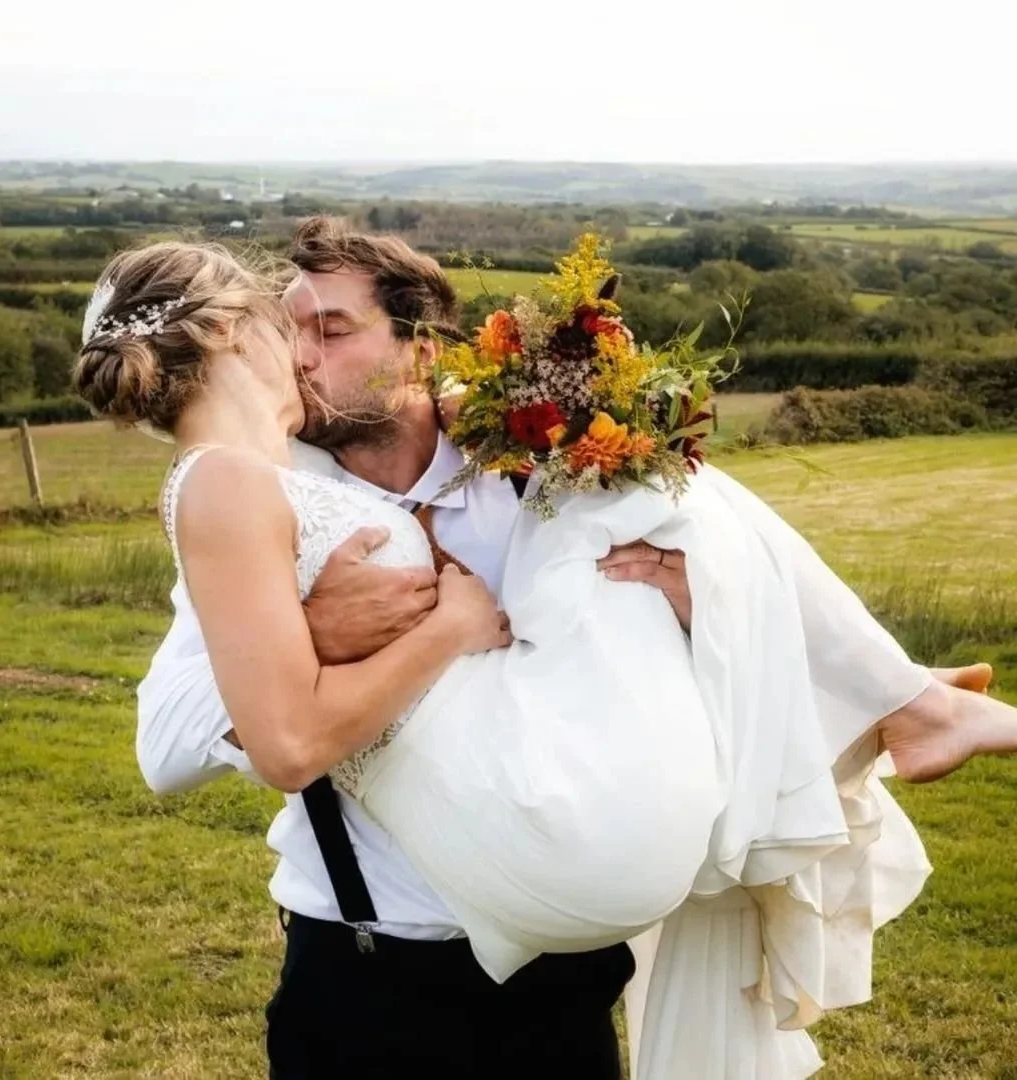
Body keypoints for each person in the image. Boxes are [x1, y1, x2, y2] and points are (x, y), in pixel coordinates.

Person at [85, 225, 1012, 1080]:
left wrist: (708, 607)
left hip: (558, 983)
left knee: (697, 512)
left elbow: (641, 655)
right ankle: (911, 701)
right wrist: (316, 639)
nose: (302, 356)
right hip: (365, 963)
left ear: (422, 349)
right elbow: (169, 745)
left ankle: (907, 700)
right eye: (292, 331)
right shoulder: (270, 503)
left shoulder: (538, 482)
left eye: (333, 329)